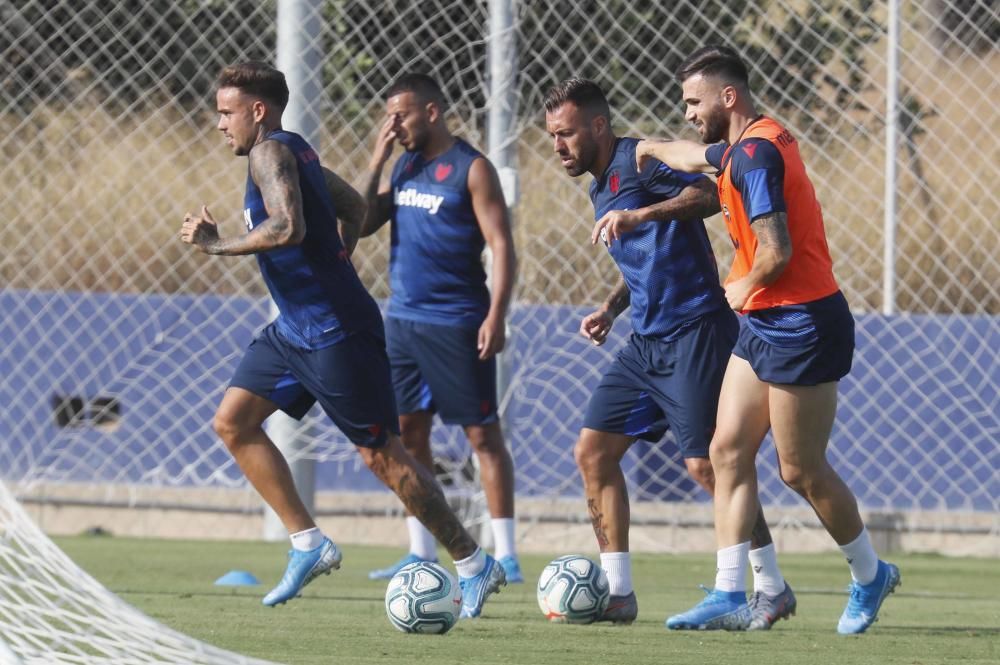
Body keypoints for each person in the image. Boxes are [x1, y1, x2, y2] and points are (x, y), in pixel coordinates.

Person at [180, 62, 505, 617]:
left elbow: (288, 228)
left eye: (226, 112)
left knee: (383, 457)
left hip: (335, 330)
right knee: (232, 422)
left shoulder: (270, 153)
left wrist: (214, 244)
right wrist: (339, 257)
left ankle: (474, 562)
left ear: (258, 111)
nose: (219, 124)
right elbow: (354, 206)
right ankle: (308, 543)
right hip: (294, 328)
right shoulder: (295, 150)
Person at [635, 45, 899, 634]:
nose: (688, 113)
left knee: (799, 470)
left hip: (801, 320)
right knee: (725, 448)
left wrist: (742, 285)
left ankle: (869, 573)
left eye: (693, 102)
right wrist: (648, 148)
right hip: (764, 319)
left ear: (728, 97)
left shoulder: (753, 157)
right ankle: (732, 592)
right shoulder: (745, 141)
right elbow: (694, 155)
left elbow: (775, 253)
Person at [543, 78, 793, 628]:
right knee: (593, 453)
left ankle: (771, 585)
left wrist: (642, 215)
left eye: (565, 134)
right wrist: (611, 308)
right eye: (552, 136)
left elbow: (707, 195)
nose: (558, 146)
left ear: (598, 127)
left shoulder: (639, 160)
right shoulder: (600, 187)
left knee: (706, 466)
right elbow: (645, 264)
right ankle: (618, 593)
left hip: (697, 330)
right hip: (646, 343)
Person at [359, 73, 522, 583]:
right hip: (403, 322)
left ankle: (507, 553)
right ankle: (421, 551)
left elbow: (502, 245)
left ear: (431, 111)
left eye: (400, 115)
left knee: (482, 435)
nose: (394, 125)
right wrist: (377, 157)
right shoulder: (404, 164)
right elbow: (362, 222)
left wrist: (496, 314)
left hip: (457, 322)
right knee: (407, 434)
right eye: (388, 116)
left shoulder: (471, 168)